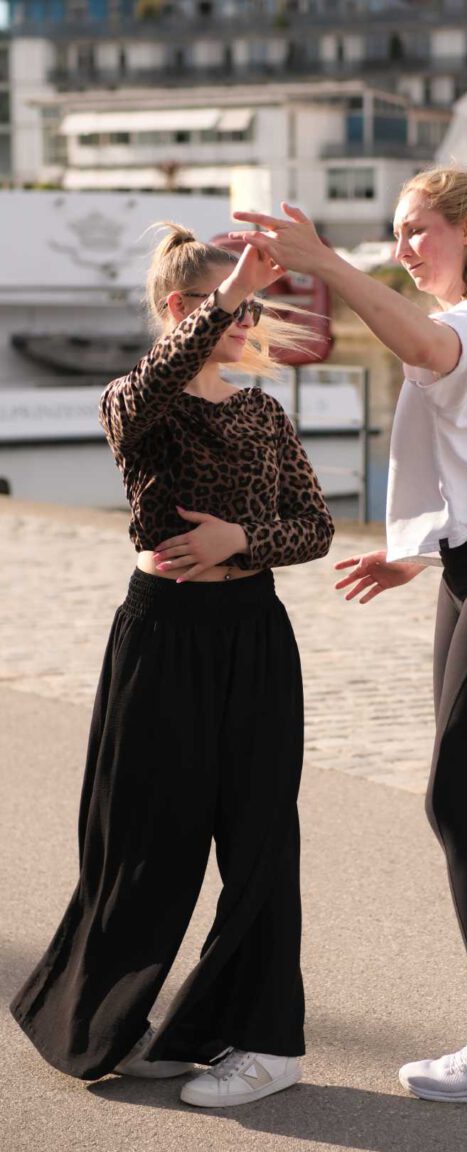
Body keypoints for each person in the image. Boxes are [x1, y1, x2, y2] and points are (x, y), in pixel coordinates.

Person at [230, 165, 467, 1105]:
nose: (403, 249)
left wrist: (326, 263)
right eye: (395, 234)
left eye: (417, 230)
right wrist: (417, 553)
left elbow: (423, 346)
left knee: (457, 801)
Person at [10, 223, 334, 1109]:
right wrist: (226, 292)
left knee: (262, 838)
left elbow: (316, 526)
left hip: (254, 636)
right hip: (161, 637)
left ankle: (268, 1041)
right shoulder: (132, 400)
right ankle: (118, 1022)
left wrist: (244, 539)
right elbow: (153, 382)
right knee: (142, 840)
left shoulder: (264, 411)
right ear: (175, 309)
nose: (238, 319)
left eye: (247, 306)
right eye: (218, 304)